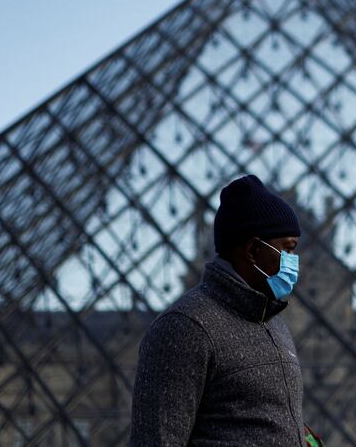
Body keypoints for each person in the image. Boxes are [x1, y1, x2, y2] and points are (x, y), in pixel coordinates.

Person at [130, 175, 305, 446]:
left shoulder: (273, 322)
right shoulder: (185, 327)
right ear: (253, 250)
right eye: (288, 249)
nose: (294, 262)